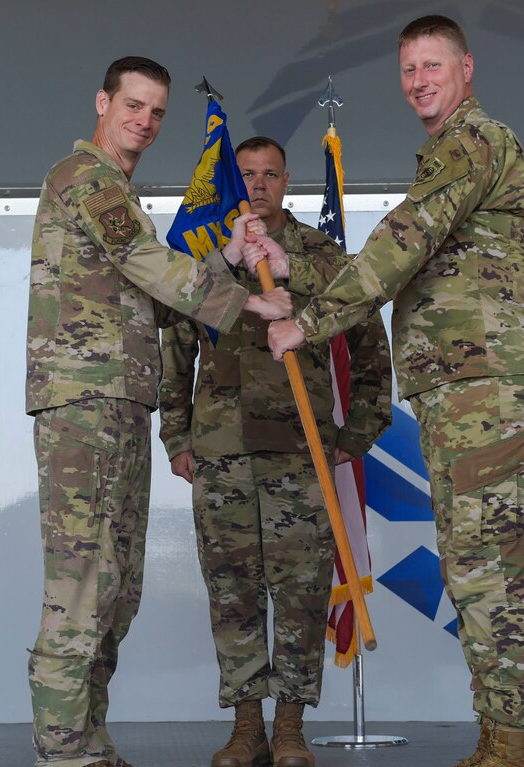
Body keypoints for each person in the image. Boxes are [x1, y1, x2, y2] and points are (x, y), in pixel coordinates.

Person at [265, 15, 524, 767]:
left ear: (466, 69)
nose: (419, 81)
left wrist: (310, 321)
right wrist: (291, 267)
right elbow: (407, 252)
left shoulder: (473, 142)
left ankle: (515, 744)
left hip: (485, 384)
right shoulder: (450, 151)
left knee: (490, 562)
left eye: (433, 65)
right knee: (477, 560)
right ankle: (499, 735)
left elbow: (403, 242)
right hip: (464, 386)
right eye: (408, 70)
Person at [25, 57, 291, 767]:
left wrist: (227, 256)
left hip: (119, 401)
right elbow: (146, 263)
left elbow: (149, 277)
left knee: (116, 584)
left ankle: (89, 739)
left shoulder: (117, 192)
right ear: (103, 102)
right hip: (84, 402)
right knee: (82, 583)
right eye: (133, 105)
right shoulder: (84, 178)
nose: (144, 121)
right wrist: (249, 300)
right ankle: (63, 750)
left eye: (156, 111)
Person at [158, 136, 392, 767]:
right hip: (223, 451)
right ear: (234, 185)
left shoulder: (318, 255)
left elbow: (370, 341)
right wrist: (177, 438)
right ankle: (245, 726)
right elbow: (176, 355)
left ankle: (290, 725)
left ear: (287, 182)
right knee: (232, 590)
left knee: (300, 590)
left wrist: (357, 433)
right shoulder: (206, 261)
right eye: (246, 176)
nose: (258, 185)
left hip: (301, 448)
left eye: (269, 175)